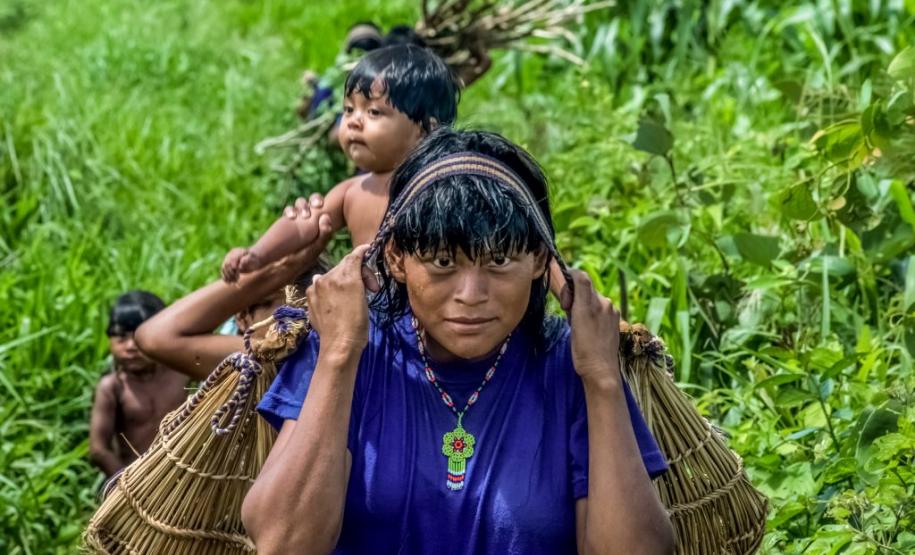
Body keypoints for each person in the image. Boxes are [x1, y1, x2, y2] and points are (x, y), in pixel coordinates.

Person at [241, 129, 675, 554]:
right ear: (396, 258)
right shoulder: (348, 349)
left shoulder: (571, 364)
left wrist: (601, 379)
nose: (471, 295)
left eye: (500, 260)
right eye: (443, 261)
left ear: (539, 259)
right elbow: (283, 544)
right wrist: (337, 357)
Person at [222, 44, 461, 283]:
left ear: (425, 130)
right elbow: (303, 225)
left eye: (374, 112)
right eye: (348, 109)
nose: (354, 122)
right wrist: (258, 253)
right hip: (364, 313)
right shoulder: (352, 191)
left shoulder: (441, 192)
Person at [135, 231, 331, 380]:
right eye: (286, 313)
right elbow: (154, 337)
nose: (303, 323)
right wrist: (279, 270)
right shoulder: (265, 362)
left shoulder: (332, 354)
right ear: (244, 318)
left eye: (310, 307)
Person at [88, 291, 189, 478]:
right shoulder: (113, 386)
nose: (130, 347)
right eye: (121, 338)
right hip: (133, 482)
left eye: (138, 337)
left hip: (185, 476)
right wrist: (130, 483)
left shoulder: (184, 373)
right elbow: (98, 449)